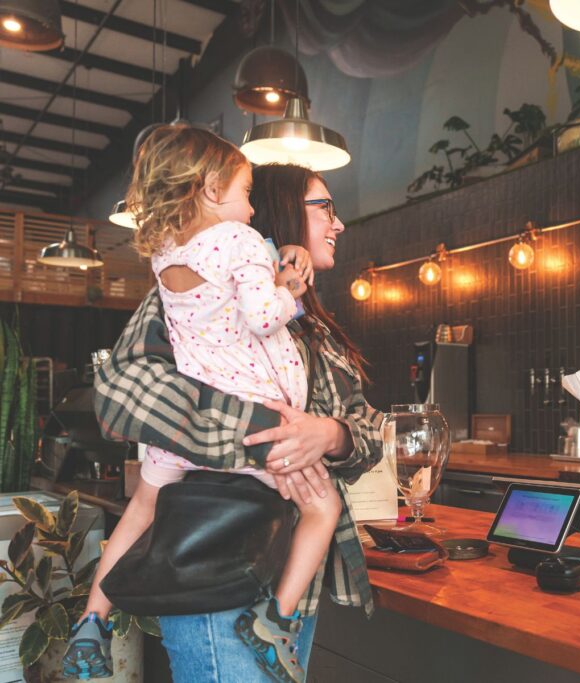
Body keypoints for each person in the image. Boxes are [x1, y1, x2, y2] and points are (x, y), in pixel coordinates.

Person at [64, 127, 339, 683]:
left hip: (182, 447)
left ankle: (93, 616)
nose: (252, 206)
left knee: (141, 507)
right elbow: (259, 318)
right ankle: (273, 620)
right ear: (212, 189)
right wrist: (291, 293)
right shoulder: (239, 241)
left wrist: (278, 259)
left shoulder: (168, 255)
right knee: (322, 507)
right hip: (259, 426)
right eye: (245, 191)